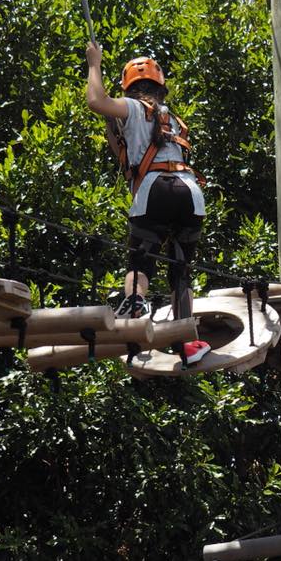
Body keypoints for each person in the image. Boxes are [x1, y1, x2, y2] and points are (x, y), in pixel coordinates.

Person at [85, 41, 210, 364]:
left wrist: (94, 63)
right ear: (161, 88)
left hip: (155, 191)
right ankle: (188, 343)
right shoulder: (174, 120)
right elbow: (126, 154)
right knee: (181, 270)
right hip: (190, 193)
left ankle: (137, 312)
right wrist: (114, 129)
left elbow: (96, 101)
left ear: (130, 88)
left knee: (139, 265)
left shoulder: (133, 107)